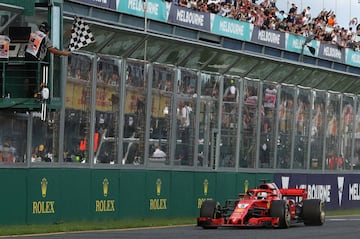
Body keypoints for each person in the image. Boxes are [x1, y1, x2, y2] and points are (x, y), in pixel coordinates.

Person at [25, 21, 71, 97]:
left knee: (30, 77)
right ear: (47, 31)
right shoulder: (44, 37)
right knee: (35, 78)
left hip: (27, 56)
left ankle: (30, 94)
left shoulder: (34, 33)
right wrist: (63, 53)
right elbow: (52, 50)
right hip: (35, 59)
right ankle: (33, 95)